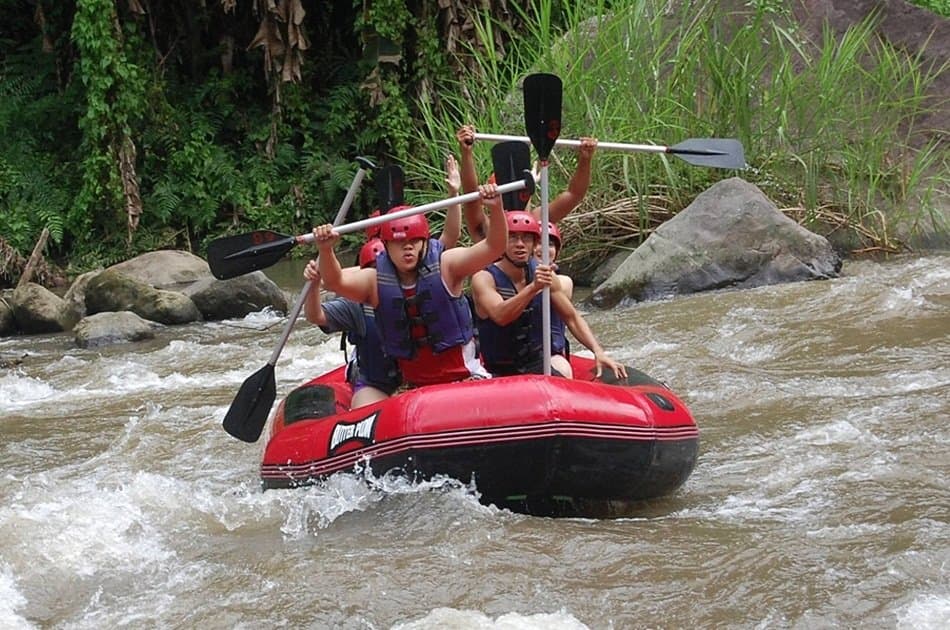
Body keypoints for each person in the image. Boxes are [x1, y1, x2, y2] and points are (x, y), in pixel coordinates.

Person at [313, 183, 507, 388]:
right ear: (386, 246)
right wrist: (326, 250)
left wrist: (495, 208)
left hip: (464, 378)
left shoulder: (447, 266)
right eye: (399, 243)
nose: (407, 249)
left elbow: (494, 247)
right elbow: (335, 282)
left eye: (414, 241)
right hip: (416, 387)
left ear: (424, 242)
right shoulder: (374, 281)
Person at [471, 210, 626, 380]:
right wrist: (533, 288)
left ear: (534, 243)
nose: (520, 244)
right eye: (513, 238)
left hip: (536, 364)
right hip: (498, 371)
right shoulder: (484, 278)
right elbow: (501, 316)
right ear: (502, 242)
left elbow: (571, 317)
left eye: (526, 238)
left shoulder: (544, 273)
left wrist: (597, 351)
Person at [456, 124, 598, 241]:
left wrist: (585, 159)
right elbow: (471, 196)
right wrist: (466, 152)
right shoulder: (486, 228)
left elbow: (574, 194)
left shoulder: (538, 218)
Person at [303, 238, 399, 407]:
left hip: (413, 377)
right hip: (375, 382)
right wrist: (314, 285)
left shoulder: (414, 291)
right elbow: (315, 316)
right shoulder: (355, 304)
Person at [535, 220, 627, 380]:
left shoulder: (562, 282)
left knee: (561, 369)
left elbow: (572, 318)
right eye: (536, 243)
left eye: (549, 244)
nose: (543, 249)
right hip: (515, 355)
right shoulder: (506, 277)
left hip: (548, 355)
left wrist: (598, 351)